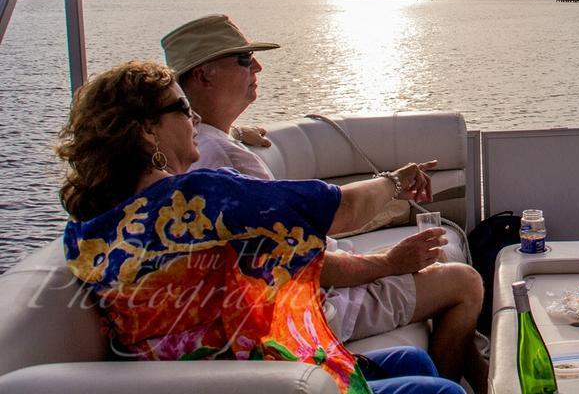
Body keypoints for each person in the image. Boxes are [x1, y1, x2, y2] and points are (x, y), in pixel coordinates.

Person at [57, 61, 462, 394]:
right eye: (182, 110)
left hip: (215, 375)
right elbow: (346, 210)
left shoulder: (86, 234)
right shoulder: (199, 198)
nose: (195, 117)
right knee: (445, 392)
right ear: (147, 130)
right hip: (258, 378)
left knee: (413, 360)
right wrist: (396, 181)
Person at [160, 14, 487, 392]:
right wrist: (389, 257)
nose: (258, 66)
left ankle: (486, 381)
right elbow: (320, 240)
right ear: (203, 76)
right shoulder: (216, 163)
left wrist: (235, 132)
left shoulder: (210, 142)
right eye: (244, 60)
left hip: (305, 281)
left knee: (438, 271)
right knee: (463, 282)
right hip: (315, 300)